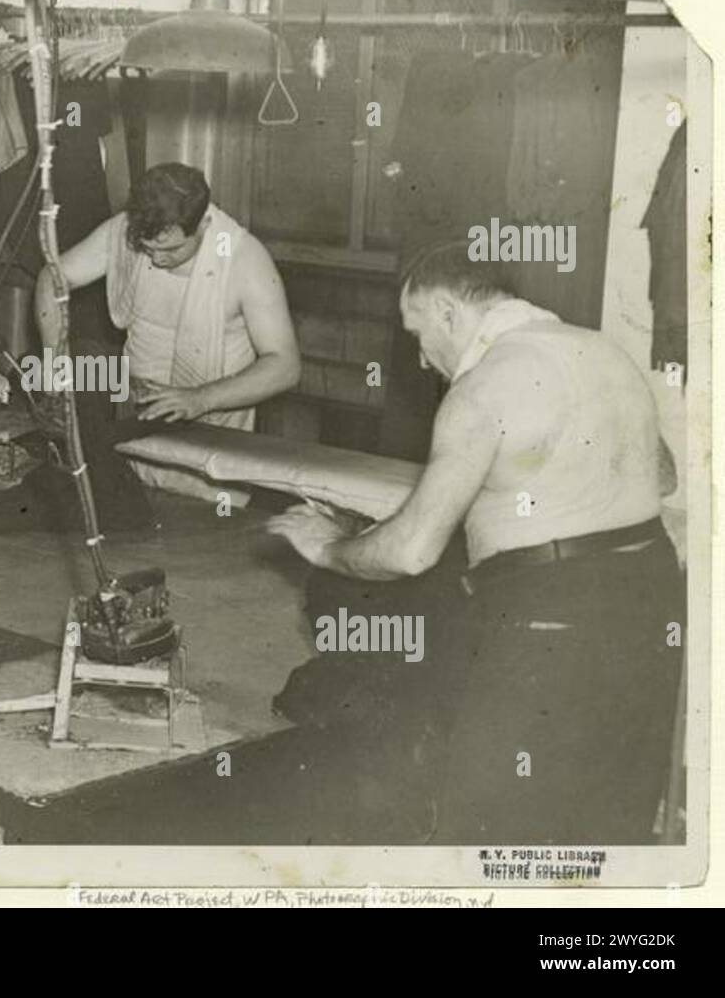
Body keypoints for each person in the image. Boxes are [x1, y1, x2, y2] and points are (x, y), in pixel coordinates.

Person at [269, 241, 684, 844]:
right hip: (652, 607)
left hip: (550, 627)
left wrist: (329, 546)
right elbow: (662, 475)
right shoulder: (605, 351)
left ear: (447, 310)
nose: (419, 355)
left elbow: (411, 552)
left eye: (417, 331)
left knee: (490, 831)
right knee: (607, 833)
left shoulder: (484, 387)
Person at [33, 162, 300, 497]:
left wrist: (201, 398)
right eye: (148, 249)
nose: (157, 260)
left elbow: (285, 365)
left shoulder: (244, 258)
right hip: (133, 434)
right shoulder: (124, 231)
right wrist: (53, 356)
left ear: (203, 223)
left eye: (171, 249)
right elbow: (53, 278)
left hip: (209, 446)